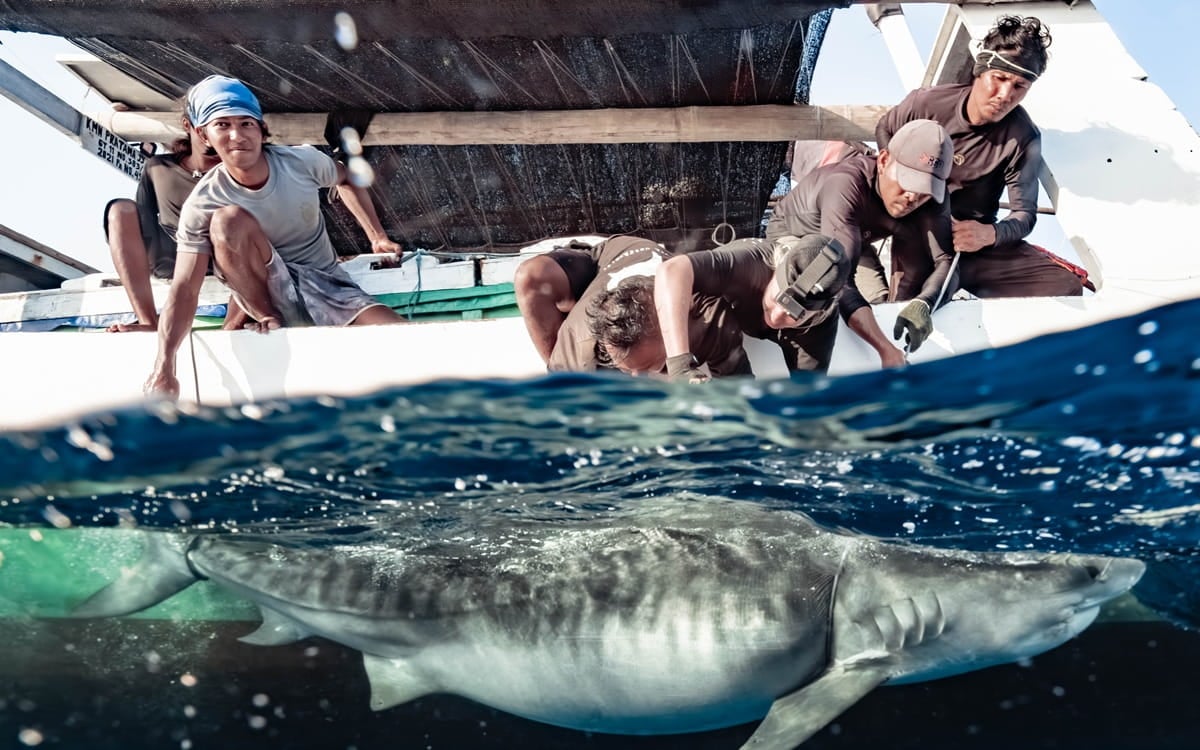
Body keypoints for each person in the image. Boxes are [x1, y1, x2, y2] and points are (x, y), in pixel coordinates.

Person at [145, 75, 405, 398]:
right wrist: (164, 366)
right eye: (222, 125)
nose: (237, 135)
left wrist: (376, 236)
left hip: (326, 283)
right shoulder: (203, 201)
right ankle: (266, 317)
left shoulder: (302, 162)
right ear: (203, 135)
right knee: (227, 220)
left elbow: (347, 177)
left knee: (402, 338)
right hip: (265, 295)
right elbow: (184, 289)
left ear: (260, 128)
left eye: (246, 124)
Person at [697, 118, 953, 370]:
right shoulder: (846, 184)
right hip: (798, 239)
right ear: (884, 161)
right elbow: (839, 281)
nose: (913, 197)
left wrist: (924, 303)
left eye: (925, 189)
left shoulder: (931, 197)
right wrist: (884, 348)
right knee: (818, 295)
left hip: (854, 241)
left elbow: (946, 261)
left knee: (880, 301)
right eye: (908, 181)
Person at [874, 14, 1088, 299]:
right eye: (999, 78)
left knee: (1066, 288)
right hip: (919, 234)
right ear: (980, 71)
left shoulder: (1023, 137)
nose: (1005, 94)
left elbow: (1024, 215)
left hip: (974, 244)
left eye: (1019, 87)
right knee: (903, 311)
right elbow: (884, 130)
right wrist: (899, 193)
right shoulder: (925, 103)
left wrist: (990, 234)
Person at [102, 104, 247, 332]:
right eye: (218, 125)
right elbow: (142, 223)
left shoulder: (242, 169)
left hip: (224, 258)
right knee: (120, 210)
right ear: (192, 128)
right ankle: (148, 320)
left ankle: (231, 325)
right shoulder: (159, 167)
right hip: (174, 256)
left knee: (236, 221)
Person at [654, 232, 851, 376]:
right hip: (710, 314)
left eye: (794, 314)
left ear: (817, 314)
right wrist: (680, 364)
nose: (775, 317)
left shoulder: (819, 325)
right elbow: (672, 270)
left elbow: (807, 397)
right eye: (777, 299)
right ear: (776, 268)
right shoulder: (750, 263)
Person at [585, 275, 751, 381]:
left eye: (649, 366)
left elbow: (740, 393)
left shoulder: (712, 320)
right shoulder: (587, 348)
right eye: (625, 370)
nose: (637, 379)